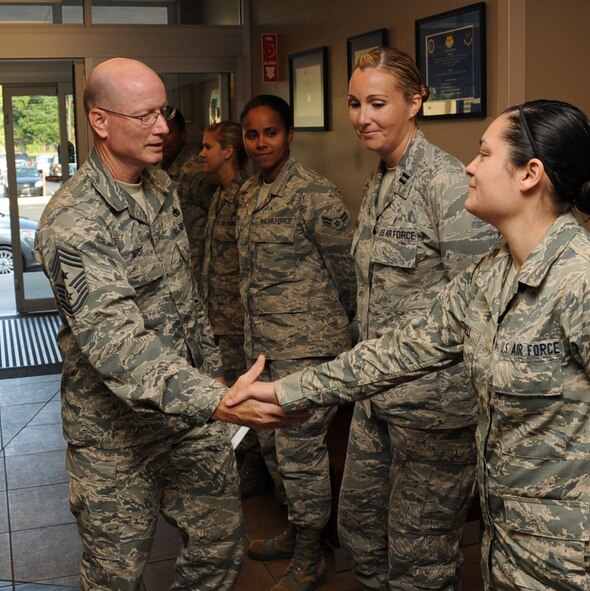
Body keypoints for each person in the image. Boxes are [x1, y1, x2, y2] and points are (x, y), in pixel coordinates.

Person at [230, 98, 590, 590]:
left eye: (485, 153)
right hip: (510, 556)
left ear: (529, 173)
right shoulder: (488, 277)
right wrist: (285, 391)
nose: (469, 166)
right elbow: (399, 350)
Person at [34, 57, 302, 590]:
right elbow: (116, 342)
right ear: (100, 121)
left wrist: (213, 379)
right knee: (117, 576)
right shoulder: (72, 221)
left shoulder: (159, 187)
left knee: (220, 550)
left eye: (163, 112)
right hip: (116, 434)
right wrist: (215, 399)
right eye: (145, 116)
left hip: (189, 419)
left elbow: (187, 298)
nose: (162, 127)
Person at [314, 47, 497, 591]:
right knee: (362, 533)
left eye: (377, 103)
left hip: (434, 413)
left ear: (415, 102)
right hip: (376, 400)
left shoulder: (446, 185)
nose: (362, 118)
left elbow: (479, 309)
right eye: (353, 104)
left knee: (421, 558)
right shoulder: (381, 180)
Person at [237, 94, 357, 591]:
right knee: (273, 446)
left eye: (270, 132)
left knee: (301, 452)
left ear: (289, 135)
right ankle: (294, 528)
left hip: (308, 350)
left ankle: (311, 555)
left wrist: (341, 338)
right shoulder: (248, 193)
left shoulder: (314, 194)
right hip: (264, 345)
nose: (260, 142)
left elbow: (347, 273)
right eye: (251, 134)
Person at [198, 121, 271, 496]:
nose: (201, 154)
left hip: (239, 318)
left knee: (242, 394)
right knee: (225, 392)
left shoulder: (245, 195)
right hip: (219, 315)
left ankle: (253, 471)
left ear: (228, 152)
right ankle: (240, 464)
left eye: (208, 147)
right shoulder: (219, 194)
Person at [162, 107, 218, 283]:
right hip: (168, 271)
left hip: (195, 274)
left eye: (169, 131)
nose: (163, 138)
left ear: (183, 135)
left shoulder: (196, 172)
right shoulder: (155, 172)